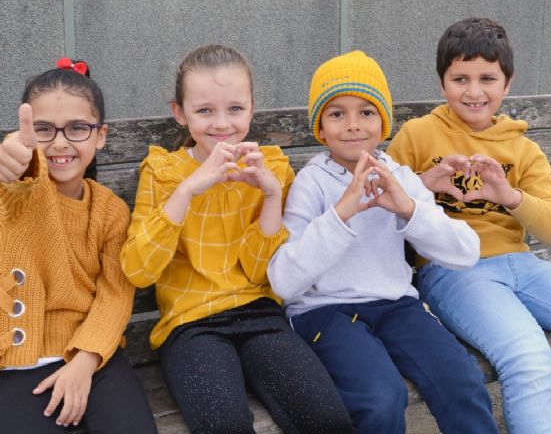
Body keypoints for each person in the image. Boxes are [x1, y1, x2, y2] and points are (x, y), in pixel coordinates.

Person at [120, 44, 352, 434]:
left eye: (235, 108)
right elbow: (139, 270)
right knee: (223, 425)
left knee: (327, 419)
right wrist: (188, 190)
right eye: (204, 111)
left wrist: (272, 195)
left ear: (251, 108)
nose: (222, 123)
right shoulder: (163, 172)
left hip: (261, 314)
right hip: (191, 325)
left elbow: (262, 272)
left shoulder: (269, 167)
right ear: (180, 112)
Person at [267, 50, 499, 434]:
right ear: (320, 127)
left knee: (461, 380)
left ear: (384, 122)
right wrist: (341, 215)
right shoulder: (311, 182)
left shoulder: (400, 178)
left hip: (396, 305)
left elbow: (465, 252)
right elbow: (284, 281)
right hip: (326, 312)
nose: (353, 125)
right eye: (337, 114)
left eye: (366, 112)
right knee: (381, 398)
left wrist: (409, 209)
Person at [387, 17, 551, 434]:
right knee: (530, 359)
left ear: (507, 83)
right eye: (460, 79)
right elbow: (383, 210)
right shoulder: (417, 135)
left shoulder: (523, 148)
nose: (474, 91)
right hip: (454, 271)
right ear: (442, 82)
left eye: (487, 78)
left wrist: (510, 196)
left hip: (524, 266)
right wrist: (425, 185)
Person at [0, 58, 157, 433]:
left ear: (100, 135)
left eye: (77, 128)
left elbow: (116, 293)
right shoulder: (16, 194)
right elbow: (18, 189)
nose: (59, 142)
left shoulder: (110, 211)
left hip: (93, 354)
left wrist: (84, 363)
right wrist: (11, 165)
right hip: (20, 361)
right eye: (43, 129)